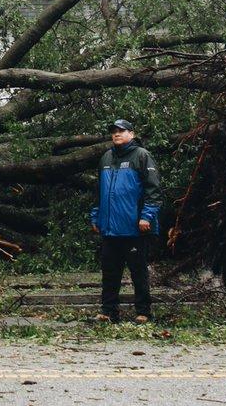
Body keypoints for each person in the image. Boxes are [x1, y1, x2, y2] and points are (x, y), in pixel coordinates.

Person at [89, 118, 162, 323]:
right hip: (110, 228)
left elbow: (154, 190)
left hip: (134, 227)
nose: (117, 134)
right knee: (110, 272)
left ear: (132, 133)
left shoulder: (142, 156)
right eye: (114, 131)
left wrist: (146, 216)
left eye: (121, 130)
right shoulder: (106, 158)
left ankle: (143, 312)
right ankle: (108, 311)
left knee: (138, 272)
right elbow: (98, 192)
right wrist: (95, 216)